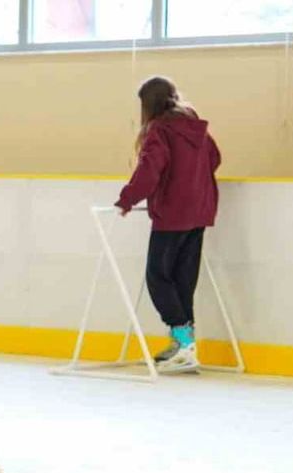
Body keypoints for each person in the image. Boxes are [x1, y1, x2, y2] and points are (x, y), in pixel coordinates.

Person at [115, 76, 221, 374]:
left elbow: (150, 170)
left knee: (158, 276)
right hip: (200, 211)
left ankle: (184, 340)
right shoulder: (194, 127)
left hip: (173, 213)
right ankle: (185, 345)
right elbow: (214, 158)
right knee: (183, 279)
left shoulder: (159, 130)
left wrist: (127, 199)